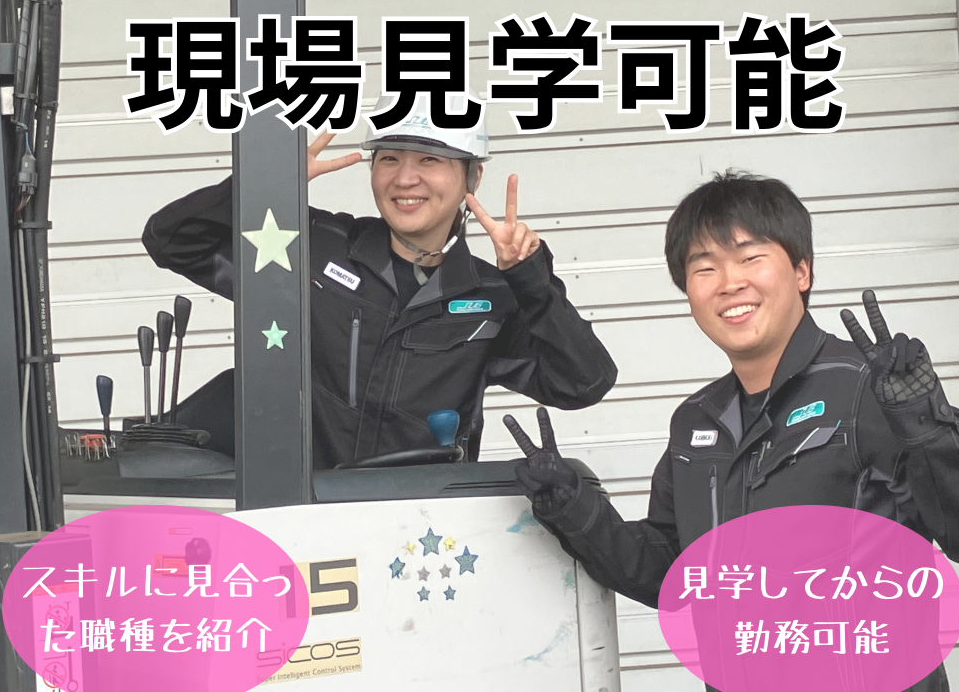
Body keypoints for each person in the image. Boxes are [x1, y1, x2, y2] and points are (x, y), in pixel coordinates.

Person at [504, 171, 959, 692]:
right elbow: (672, 575)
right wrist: (575, 510)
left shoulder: (870, 391)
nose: (729, 283)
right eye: (705, 268)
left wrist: (928, 426)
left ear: (802, 271)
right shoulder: (697, 423)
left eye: (750, 257)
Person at [142, 95, 616, 468]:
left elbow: (583, 383)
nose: (405, 178)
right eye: (389, 158)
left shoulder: (491, 297)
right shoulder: (315, 245)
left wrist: (531, 280)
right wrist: (265, 185)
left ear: (472, 177)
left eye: (429, 160)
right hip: (298, 515)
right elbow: (171, 240)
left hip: (417, 538)